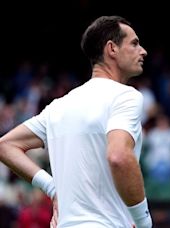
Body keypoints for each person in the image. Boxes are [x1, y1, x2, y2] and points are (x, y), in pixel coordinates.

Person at [0, 15, 152, 227]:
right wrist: (143, 221)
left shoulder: (58, 107)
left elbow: (5, 145)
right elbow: (119, 156)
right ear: (112, 49)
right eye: (134, 43)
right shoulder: (126, 96)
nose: (143, 50)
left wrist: (52, 189)